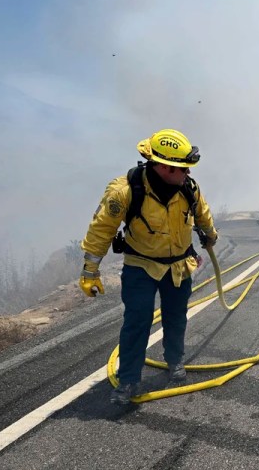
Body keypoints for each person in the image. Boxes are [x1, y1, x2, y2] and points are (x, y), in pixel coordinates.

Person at [79, 129, 218, 405]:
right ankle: (129, 379)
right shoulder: (126, 192)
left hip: (178, 267)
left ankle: (174, 360)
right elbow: (101, 230)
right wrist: (90, 271)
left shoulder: (189, 189)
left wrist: (209, 234)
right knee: (137, 320)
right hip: (140, 266)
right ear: (165, 167)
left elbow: (202, 213)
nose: (188, 174)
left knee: (176, 317)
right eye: (182, 169)